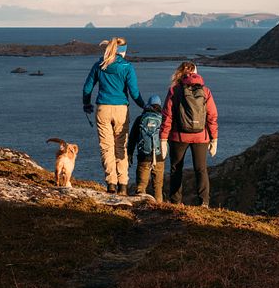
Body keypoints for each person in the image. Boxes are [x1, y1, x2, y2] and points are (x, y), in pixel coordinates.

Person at [83, 37, 145, 195]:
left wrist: (87, 104)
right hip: (121, 110)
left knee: (106, 147)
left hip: (103, 108)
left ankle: (111, 183)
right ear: (123, 52)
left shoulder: (99, 65)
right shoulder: (127, 67)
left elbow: (87, 87)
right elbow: (134, 93)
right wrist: (145, 106)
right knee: (121, 146)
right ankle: (123, 185)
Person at [159, 61, 218, 207]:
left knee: (176, 168)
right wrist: (214, 139)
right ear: (196, 72)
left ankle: (175, 202)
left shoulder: (174, 90)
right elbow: (212, 116)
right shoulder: (205, 91)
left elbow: (167, 116)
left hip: (178, 136)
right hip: (201, 136)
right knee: (201, 169)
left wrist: (163, 138)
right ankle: (204, 202)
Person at [127, 94, 165, 202]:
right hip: (159, 157)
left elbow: (132, 138)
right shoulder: (163, 119)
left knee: (141, 186)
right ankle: (159, 209)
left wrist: (129, 154)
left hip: (144, 157)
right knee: (158, 187)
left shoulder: (140, 119)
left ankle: (141, 208)